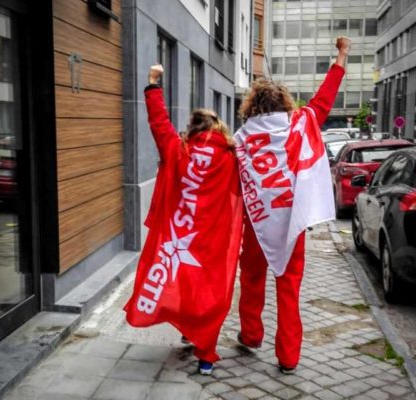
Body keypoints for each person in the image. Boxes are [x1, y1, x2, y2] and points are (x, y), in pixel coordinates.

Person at [234, 37, 351, 374]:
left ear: (252, 107)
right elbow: (325, 98)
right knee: (288, 289)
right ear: (284, 103)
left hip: (255, 225)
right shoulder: (300, 123)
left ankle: (251, 334)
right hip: (292, 224)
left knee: (252, 278)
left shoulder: (240, 140)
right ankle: (288, 357)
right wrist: (341, 55)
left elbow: (233, 186)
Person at [124, 65, 243, 375]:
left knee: (185, 283)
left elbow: (159, 123)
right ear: (218, 128)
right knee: (211, 292)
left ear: (192, 127)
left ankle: (190, 330)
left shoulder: (178, 150)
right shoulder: (231, 156)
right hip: (213, 240)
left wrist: (152, 85)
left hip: (179, 236)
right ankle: (206, 355)